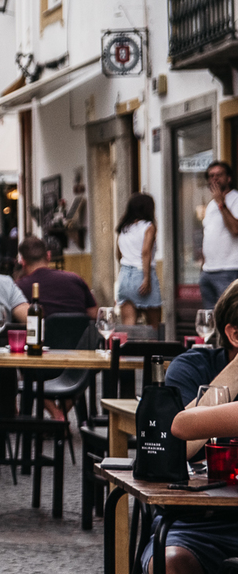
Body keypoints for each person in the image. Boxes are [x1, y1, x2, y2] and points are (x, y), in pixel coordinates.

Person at [131, 281, 238, 574]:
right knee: (170, 561)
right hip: (201, 519)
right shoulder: (193, 367)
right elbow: (173, 443)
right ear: (234, 335)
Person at [15, 236, 97, 320]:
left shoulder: (18, 288)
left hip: (43, 333)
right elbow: (94, 314)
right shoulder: (76, 279)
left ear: (23, 262)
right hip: (79, 332)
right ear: (48, 256)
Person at [115, 193, 161, 325]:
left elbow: (118, 255)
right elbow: (146, 252)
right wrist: (146, 278)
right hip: (141, 274)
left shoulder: (123, 228)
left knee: (129, 327)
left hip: (124, 276)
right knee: (154, 327)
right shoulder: (148, 226)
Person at [200, 160, 238, 313]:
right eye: (211, 176)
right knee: (211, 321)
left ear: (228, 178)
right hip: (208, 272)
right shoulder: (210, 205)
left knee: (229, 317)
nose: (214, 179)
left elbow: (235, 229)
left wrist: (222, 204)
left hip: (229, 269)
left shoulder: (235, 199)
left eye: (218, 175)